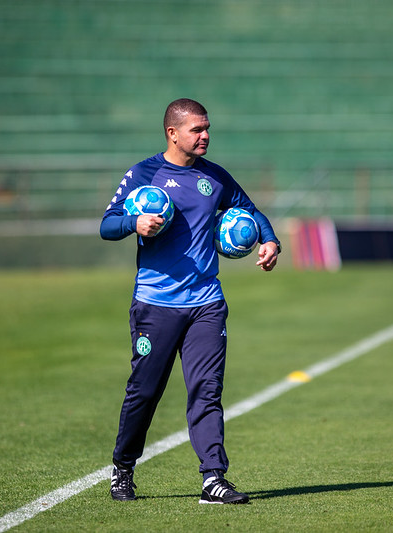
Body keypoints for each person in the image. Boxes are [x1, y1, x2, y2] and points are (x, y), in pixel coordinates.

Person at [100, 98, 281, 504]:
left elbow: (250, 210)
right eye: (197, 129)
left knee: (207, 389)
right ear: (173, 133)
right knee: (145, 391)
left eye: (207, 128)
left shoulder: (215, 178)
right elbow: (107, 225)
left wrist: (270, 241)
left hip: (206, 302)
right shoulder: (143, 174)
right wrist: (135, 222)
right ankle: (123, 467)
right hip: (156, 303)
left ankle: (213, 478)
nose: (205, 136)